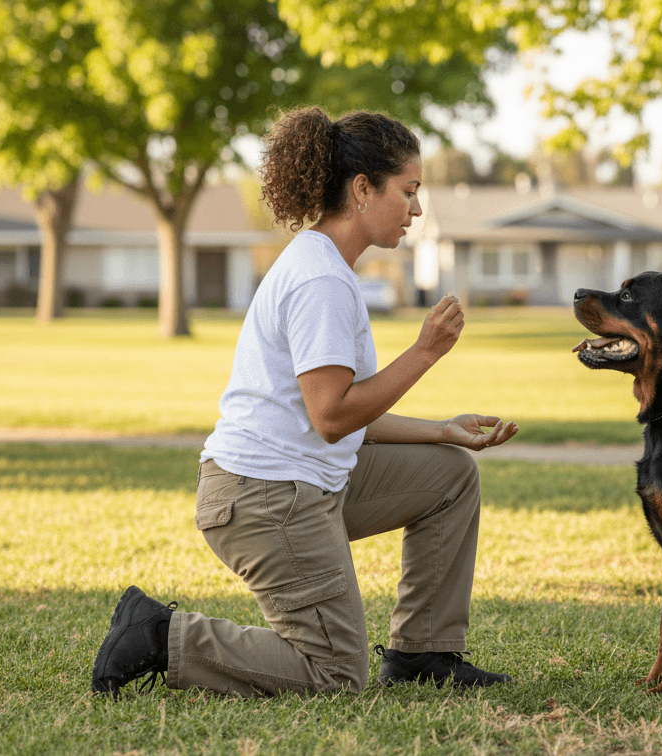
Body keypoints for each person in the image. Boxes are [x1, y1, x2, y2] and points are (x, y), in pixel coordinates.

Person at [91, 107, 519, 698]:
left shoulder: (326, 266)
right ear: (362, 189)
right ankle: (161, 635)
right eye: (408, 191)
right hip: (263, 497)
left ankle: (423, 653)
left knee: (450, 475)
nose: (417, 209)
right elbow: (332, 417)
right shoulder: (321, 279)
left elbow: (341, 416)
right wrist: (425, 352)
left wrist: (443, 431)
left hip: (301, 481)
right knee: (335, 673)